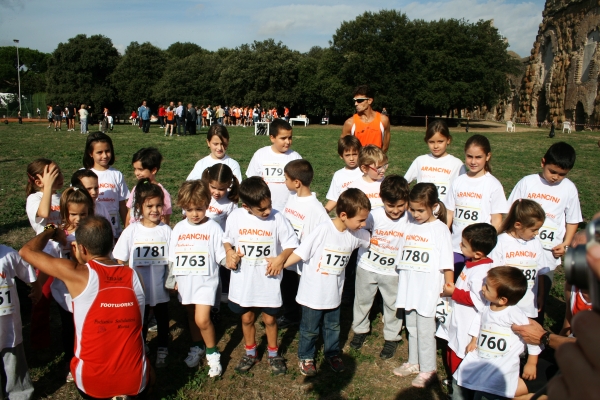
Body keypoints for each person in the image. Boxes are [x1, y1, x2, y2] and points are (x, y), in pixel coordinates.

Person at [19, 216, 151, 399]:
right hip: (136, 381)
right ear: (111, 243)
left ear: (81, 248)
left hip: (93, 384)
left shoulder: (77, 274)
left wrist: (50, 229)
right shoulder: (135, 275)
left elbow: (27, 251)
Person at [281, 189, 371, 376]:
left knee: (333, 326)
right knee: (310, 329)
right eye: (360, 220)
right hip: (312, 294)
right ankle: (306, 357)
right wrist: (280, 265)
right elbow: (300, 252)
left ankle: (332, 353)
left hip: (334, 295)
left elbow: (372, 240)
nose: (363, 224)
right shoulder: (323, 230)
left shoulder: (356, 234)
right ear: (344, 215)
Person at [222, 177, 298, 375]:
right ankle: (250, 352)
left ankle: (273, 353)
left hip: (268, 280)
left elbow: (291, 242)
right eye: (261, 209)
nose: (267, 211)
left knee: (270, 320)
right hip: (244, 281)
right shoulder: (236, 217)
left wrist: (281, 258)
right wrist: (229, 251)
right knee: (247, 318)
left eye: (269, 205)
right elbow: (227, 240)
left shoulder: (277, 218)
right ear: (246, 206)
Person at [507, 142, 582, 324]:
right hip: (520, 249)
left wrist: (565, 244)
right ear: (543, 163)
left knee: (538, 298)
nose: (556, 177)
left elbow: (573, 219)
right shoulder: (527, 182)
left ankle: (533, 342)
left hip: (547, 255)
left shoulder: (569, 189)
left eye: (562, 174)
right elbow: (511, 210)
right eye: (552, 171)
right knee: (512, 292)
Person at [393, 183, 454, 388]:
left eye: (421, 210)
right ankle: (414, 361)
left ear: (434, 206)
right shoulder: (409, 225)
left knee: (425, 329)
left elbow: (447, 261)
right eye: (412, 209)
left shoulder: (440, 229)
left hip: (428, 289)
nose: (416, 214)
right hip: (410, 286)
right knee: (411, 326)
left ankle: (429, 368)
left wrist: (448, 284)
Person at [454, 267, 541, 399]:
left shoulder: (514, 314)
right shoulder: (487, 306)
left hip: (502, 365)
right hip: (481, 357)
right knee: (461, 381)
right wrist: (473, 340)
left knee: (489, 394)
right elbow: (479, 321)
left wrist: (532, 362)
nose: (482, 288)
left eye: (487, 287)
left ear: (502, 300)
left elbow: (532, 336)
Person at [168, 180, 225, 377]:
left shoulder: (213, 228)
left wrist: (231, 259)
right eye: (189, 209)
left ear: (207, 205)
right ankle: (197, 345)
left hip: (205, 283)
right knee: (191, 316)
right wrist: (172, 279)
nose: (194, 214)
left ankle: (212, 353)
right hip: (185, 281)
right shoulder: (179, 229)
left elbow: (221, 254)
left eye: (199, 209)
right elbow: (172, 256)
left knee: (202, 319)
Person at [113, 179, 172, 369]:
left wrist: (171, 282)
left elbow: (172, 260)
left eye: (158, 206)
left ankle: (163, 346)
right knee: (141, 319)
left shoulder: (166, 231)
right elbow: (120, 258)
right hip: (139, 288)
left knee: (163, 319)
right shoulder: (132, 231)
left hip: (161, 286)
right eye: (150, 206)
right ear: (140, 206)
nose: (155, 210)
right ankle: (142, 345)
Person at [350, 175, 410, 359]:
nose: (396, 211)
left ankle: (392, 336)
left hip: (393, 271)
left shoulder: (410, 218)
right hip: (367, 266)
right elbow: (356, 228)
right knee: (362, 300)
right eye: (391, 206)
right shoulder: (372, 216)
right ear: (382, 200)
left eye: (400, 205)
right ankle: (360, 330)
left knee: (392, 305)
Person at [437, 223, 497, 394]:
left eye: (463, 244)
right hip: (458, 318)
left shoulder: (482, 272)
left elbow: (477, 298)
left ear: (478, 253)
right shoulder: (472, 262)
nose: (460, 246)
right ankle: (453, 379)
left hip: (468, 323)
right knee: (452, 346)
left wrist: (454, 292)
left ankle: (460, 387)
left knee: (460, 353)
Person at [445, 134, 508, 277]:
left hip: (478, 252)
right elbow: (449, 213)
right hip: (456, 247)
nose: (473, 161)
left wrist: (486, 246)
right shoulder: (458, 182)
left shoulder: (493, 185)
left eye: (478, 157)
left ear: (488, 156)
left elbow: (496, 221)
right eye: (469, 156)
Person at [278, 160, 330, 329]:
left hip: (305, 264)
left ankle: (310, 322)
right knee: (288, 288)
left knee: (305, 293)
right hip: (289, 260)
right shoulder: (292, 198)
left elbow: (325, 235)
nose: (284, 182)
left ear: (297, 182)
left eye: (286, 179)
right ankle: (290, 315)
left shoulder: (317, 209)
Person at [54, 186, 94, 382]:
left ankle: (88, 359)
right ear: (65, 213)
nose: (78, 218)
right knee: (68, 328)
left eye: (83, 214)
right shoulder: (59, 233)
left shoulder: (92, 232)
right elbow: (50, 259)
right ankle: (72, 362)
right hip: (64, 292)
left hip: (87, 290)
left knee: (86, 328)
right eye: (73, 214)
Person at [489, 199, 552, 320]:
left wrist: (541, 295)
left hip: (528, 307)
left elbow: (541, 273)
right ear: (518, 225)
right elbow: (493, 274)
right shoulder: (500, 242)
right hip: (506, 307)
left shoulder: (536, 243)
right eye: (533, 230)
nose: (537, 233)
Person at [25, 159, 63, 355]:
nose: (60, 177)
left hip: (64, 254)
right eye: (54, 175)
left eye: (59, 173)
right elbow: (44, 213)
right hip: (45, 256)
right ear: (39, 182)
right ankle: (39, 342)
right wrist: (48, 188)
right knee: (42, 298)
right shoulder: (34, 199)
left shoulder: (61, 196)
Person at [0, 244, 41, 400]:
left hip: (9, 327)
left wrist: (36, 287)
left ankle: (20, 394)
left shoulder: (7, 254)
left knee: (14, 363)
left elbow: (28, 272)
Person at [201, 164, 240, 304]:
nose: (217, 192)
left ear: (229, 185)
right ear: (207, 182)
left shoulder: (230, 202)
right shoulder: (201, 195)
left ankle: (225, 290)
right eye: (213, 187)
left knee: (223, 268)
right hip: (202, 241)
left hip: (221, 243)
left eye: (221, 189)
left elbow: (232, 226)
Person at [246, 119, 302, 212]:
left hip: (290, 210)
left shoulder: (295, 158)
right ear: (272, 138)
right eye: (283, 138)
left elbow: (302, 185)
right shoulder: (260, 154)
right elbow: (252, 184)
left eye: (290, 138)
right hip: (265, 209)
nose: (288, 142)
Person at [404, 120, 466, 204]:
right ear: (426, 141)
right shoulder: (420, 160)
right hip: (422, 212)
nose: (436, 146)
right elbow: (404, 183)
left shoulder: (457, 164)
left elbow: (464, 190)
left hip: (444, 212)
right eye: (431, 142)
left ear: (448, 140)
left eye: (440, 141)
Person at [83, 132, 130, 238]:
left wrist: (127, 229)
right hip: (90, 233)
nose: (104, 155)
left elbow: (122, 204)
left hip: (113, 232)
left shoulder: (117, 175)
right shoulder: (83, 175)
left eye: (107, 151)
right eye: (99, 152)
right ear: (90, 153)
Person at [125, 147, 172, 226]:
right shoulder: (136, 189)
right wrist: (126, 230)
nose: (137, 173)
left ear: (153, 170)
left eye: (141, 169)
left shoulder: (163, 193)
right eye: (135, 169)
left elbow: (164, 219)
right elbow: (130, 213)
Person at [341, 85, 391, 153]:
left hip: (377, 162)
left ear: (369, 101)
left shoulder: (383, 120)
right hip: (359, 162)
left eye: (359, 100)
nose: (356, 104)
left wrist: (377, 160)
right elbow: (343, 147)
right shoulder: (350, 123)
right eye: (355, 101)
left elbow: (385, 146)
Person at [70, 169, 116, 238]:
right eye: (88, 189)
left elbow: (111, 233)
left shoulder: (101, 208)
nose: (94, 192)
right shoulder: (68, 208)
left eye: (96, 188)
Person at [324, 135, 363, 213]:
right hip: (346, 217)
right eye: (347, 155)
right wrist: (323, 212)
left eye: (354, 154)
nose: (351, 158)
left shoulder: (365, 171)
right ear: (341, 156)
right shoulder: (338, 175)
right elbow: (334, 199)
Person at [347, 144, 388, 210]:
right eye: (379, 168)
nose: (383, 170)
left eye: (384, 166)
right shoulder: (354, 188)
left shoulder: (389, 184)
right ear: (364, 168)